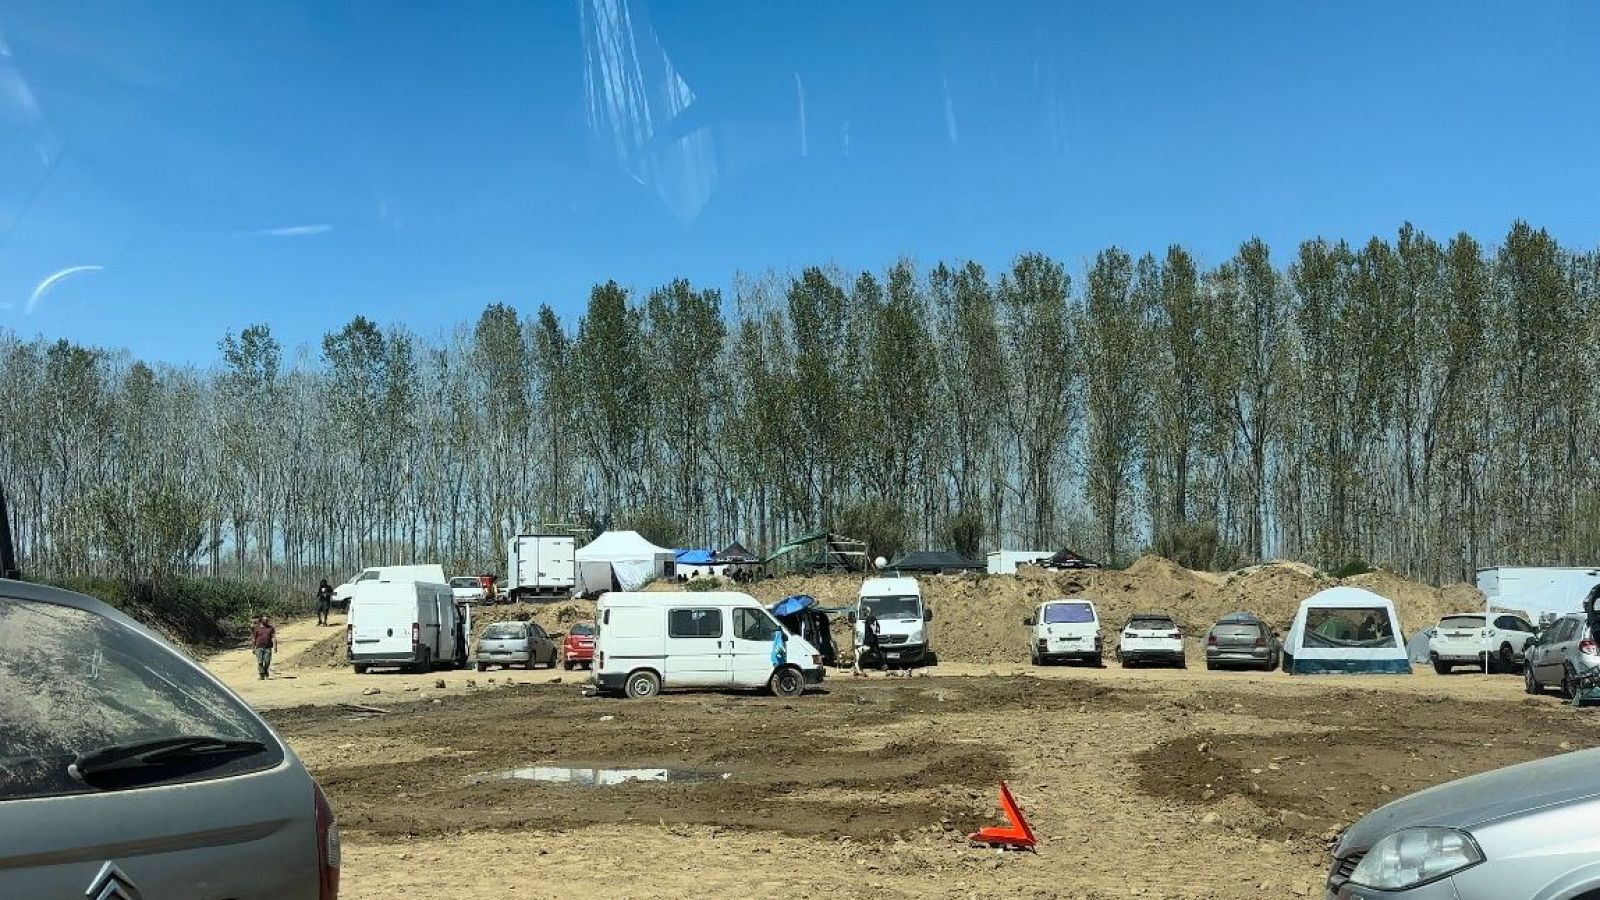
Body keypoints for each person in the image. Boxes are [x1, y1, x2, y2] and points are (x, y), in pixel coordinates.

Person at [853, 609, 881, 677]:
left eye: (864, 612)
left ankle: (859, 667)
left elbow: (873, 626)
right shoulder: (872, 618)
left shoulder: (870, 618)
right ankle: (858, 667)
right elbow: (877, 627)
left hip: (870, 639)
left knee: (866, 651)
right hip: (872, 638)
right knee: (875, 652)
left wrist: (874, 632)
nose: (863, 614)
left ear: (867, 612)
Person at [251, 616, 278, 680]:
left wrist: (275, 647)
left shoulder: (271, 628)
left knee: (267, 662)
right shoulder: (257, 628)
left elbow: (274, 638)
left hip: (268, 648)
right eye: (265, 620)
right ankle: (261, 675)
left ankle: (266, 672)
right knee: (260, 662)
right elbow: (253, 639)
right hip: (259, 648)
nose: (266, 621)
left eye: (267, 620)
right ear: (262, 621)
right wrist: (253, 648)